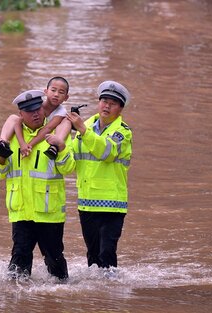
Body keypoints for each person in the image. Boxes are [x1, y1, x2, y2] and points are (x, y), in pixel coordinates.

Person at [0, 89, 76, 282]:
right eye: (29, 111)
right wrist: (2, 159)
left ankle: (59, 297)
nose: (35, 113)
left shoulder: (58, 132)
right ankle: (17, 301)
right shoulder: (10, 137)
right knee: (18, 264)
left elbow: (69, 168)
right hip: (21, 211)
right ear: (21, 114)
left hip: (49, 212)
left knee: (55, 262)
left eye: (38, 108)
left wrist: (60, 149)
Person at [66, 80, 132, 279]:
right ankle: (95, 299)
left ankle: (110, 295)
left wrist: (82, 131)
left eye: (112, 102)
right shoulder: (82, 128)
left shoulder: (123, 132)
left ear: (120, 108)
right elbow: (70, 163)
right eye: (103, 100)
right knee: (93, 257)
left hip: (112, 204)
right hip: (86, 203)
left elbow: (106, 152)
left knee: (107, 253)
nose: (106, 105)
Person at [0, 76, 71, 160]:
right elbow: (17, 122)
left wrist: (29, 145)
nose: (56, 94)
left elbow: (48, 128)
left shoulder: (61, 112)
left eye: (61, 92)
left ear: (66, 97)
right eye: (53, 90)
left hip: (45, 134)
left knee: (67, 120)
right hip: (33, 129)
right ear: (46, 92)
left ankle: (55, 146)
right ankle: (2, 142)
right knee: (13, 117)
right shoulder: (38, 105)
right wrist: (22, 144)